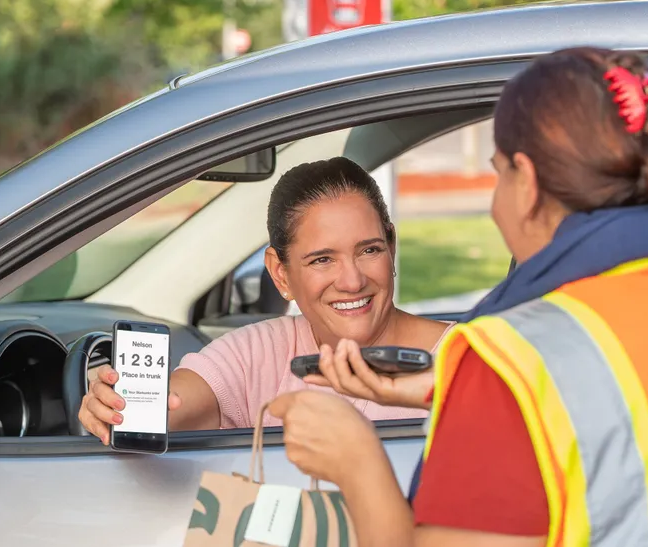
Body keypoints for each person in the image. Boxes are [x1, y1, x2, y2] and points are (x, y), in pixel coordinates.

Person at [268, 47, 648, 546]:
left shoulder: (512, 363)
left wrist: (359, 460)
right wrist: (459, 391)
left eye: (499, 174)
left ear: (528, 182)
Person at [78, 157, 452, 444]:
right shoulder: (260, 351)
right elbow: (175, 405)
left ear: (392, 246)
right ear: (280, 274)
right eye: (322, 259)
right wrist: (118, 407)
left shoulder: (472, 357)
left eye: (369, 250)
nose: (352, 281)